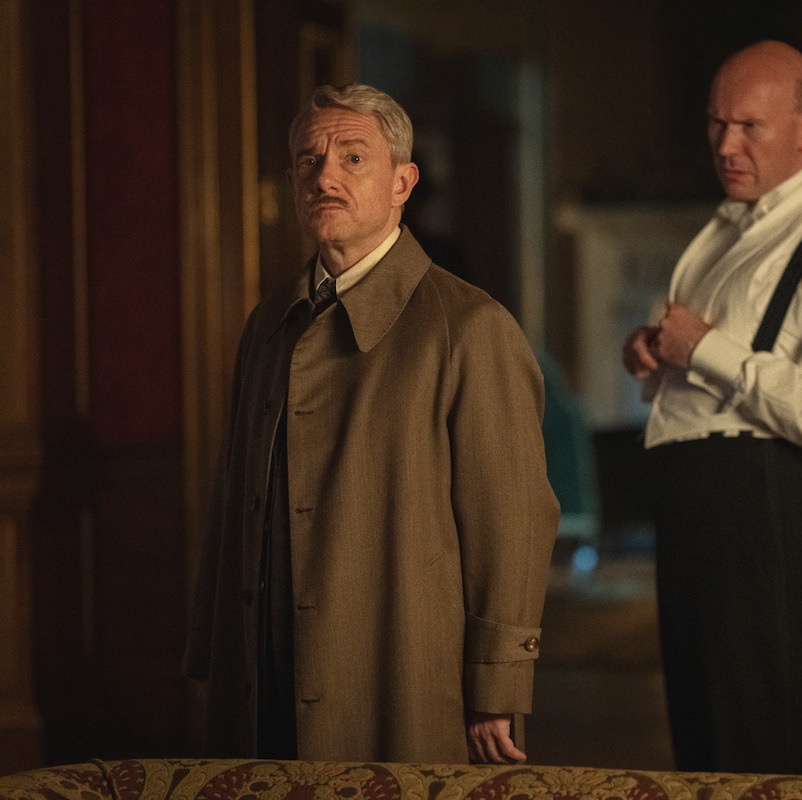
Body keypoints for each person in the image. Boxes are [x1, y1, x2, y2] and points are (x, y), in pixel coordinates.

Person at [183, 83, 559, 766]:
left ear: (402, 183)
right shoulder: (267, 324)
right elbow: (231, 504)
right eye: (307, 160)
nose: (324, 176)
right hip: (262, 673)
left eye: (353, 158)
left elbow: (514, 521)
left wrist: (497, 687)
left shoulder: (471, 329)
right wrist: (214, 663)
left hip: (406, 681)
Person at [622, 41, 802, 774]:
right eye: (717, 124)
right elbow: (703, 367)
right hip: (697, 506)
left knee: (758, 755)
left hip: (761, 512)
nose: (726, 144)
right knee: (704, 751)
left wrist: (709, 350)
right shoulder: (727, 229)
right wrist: (656, 358)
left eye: (750, 126)